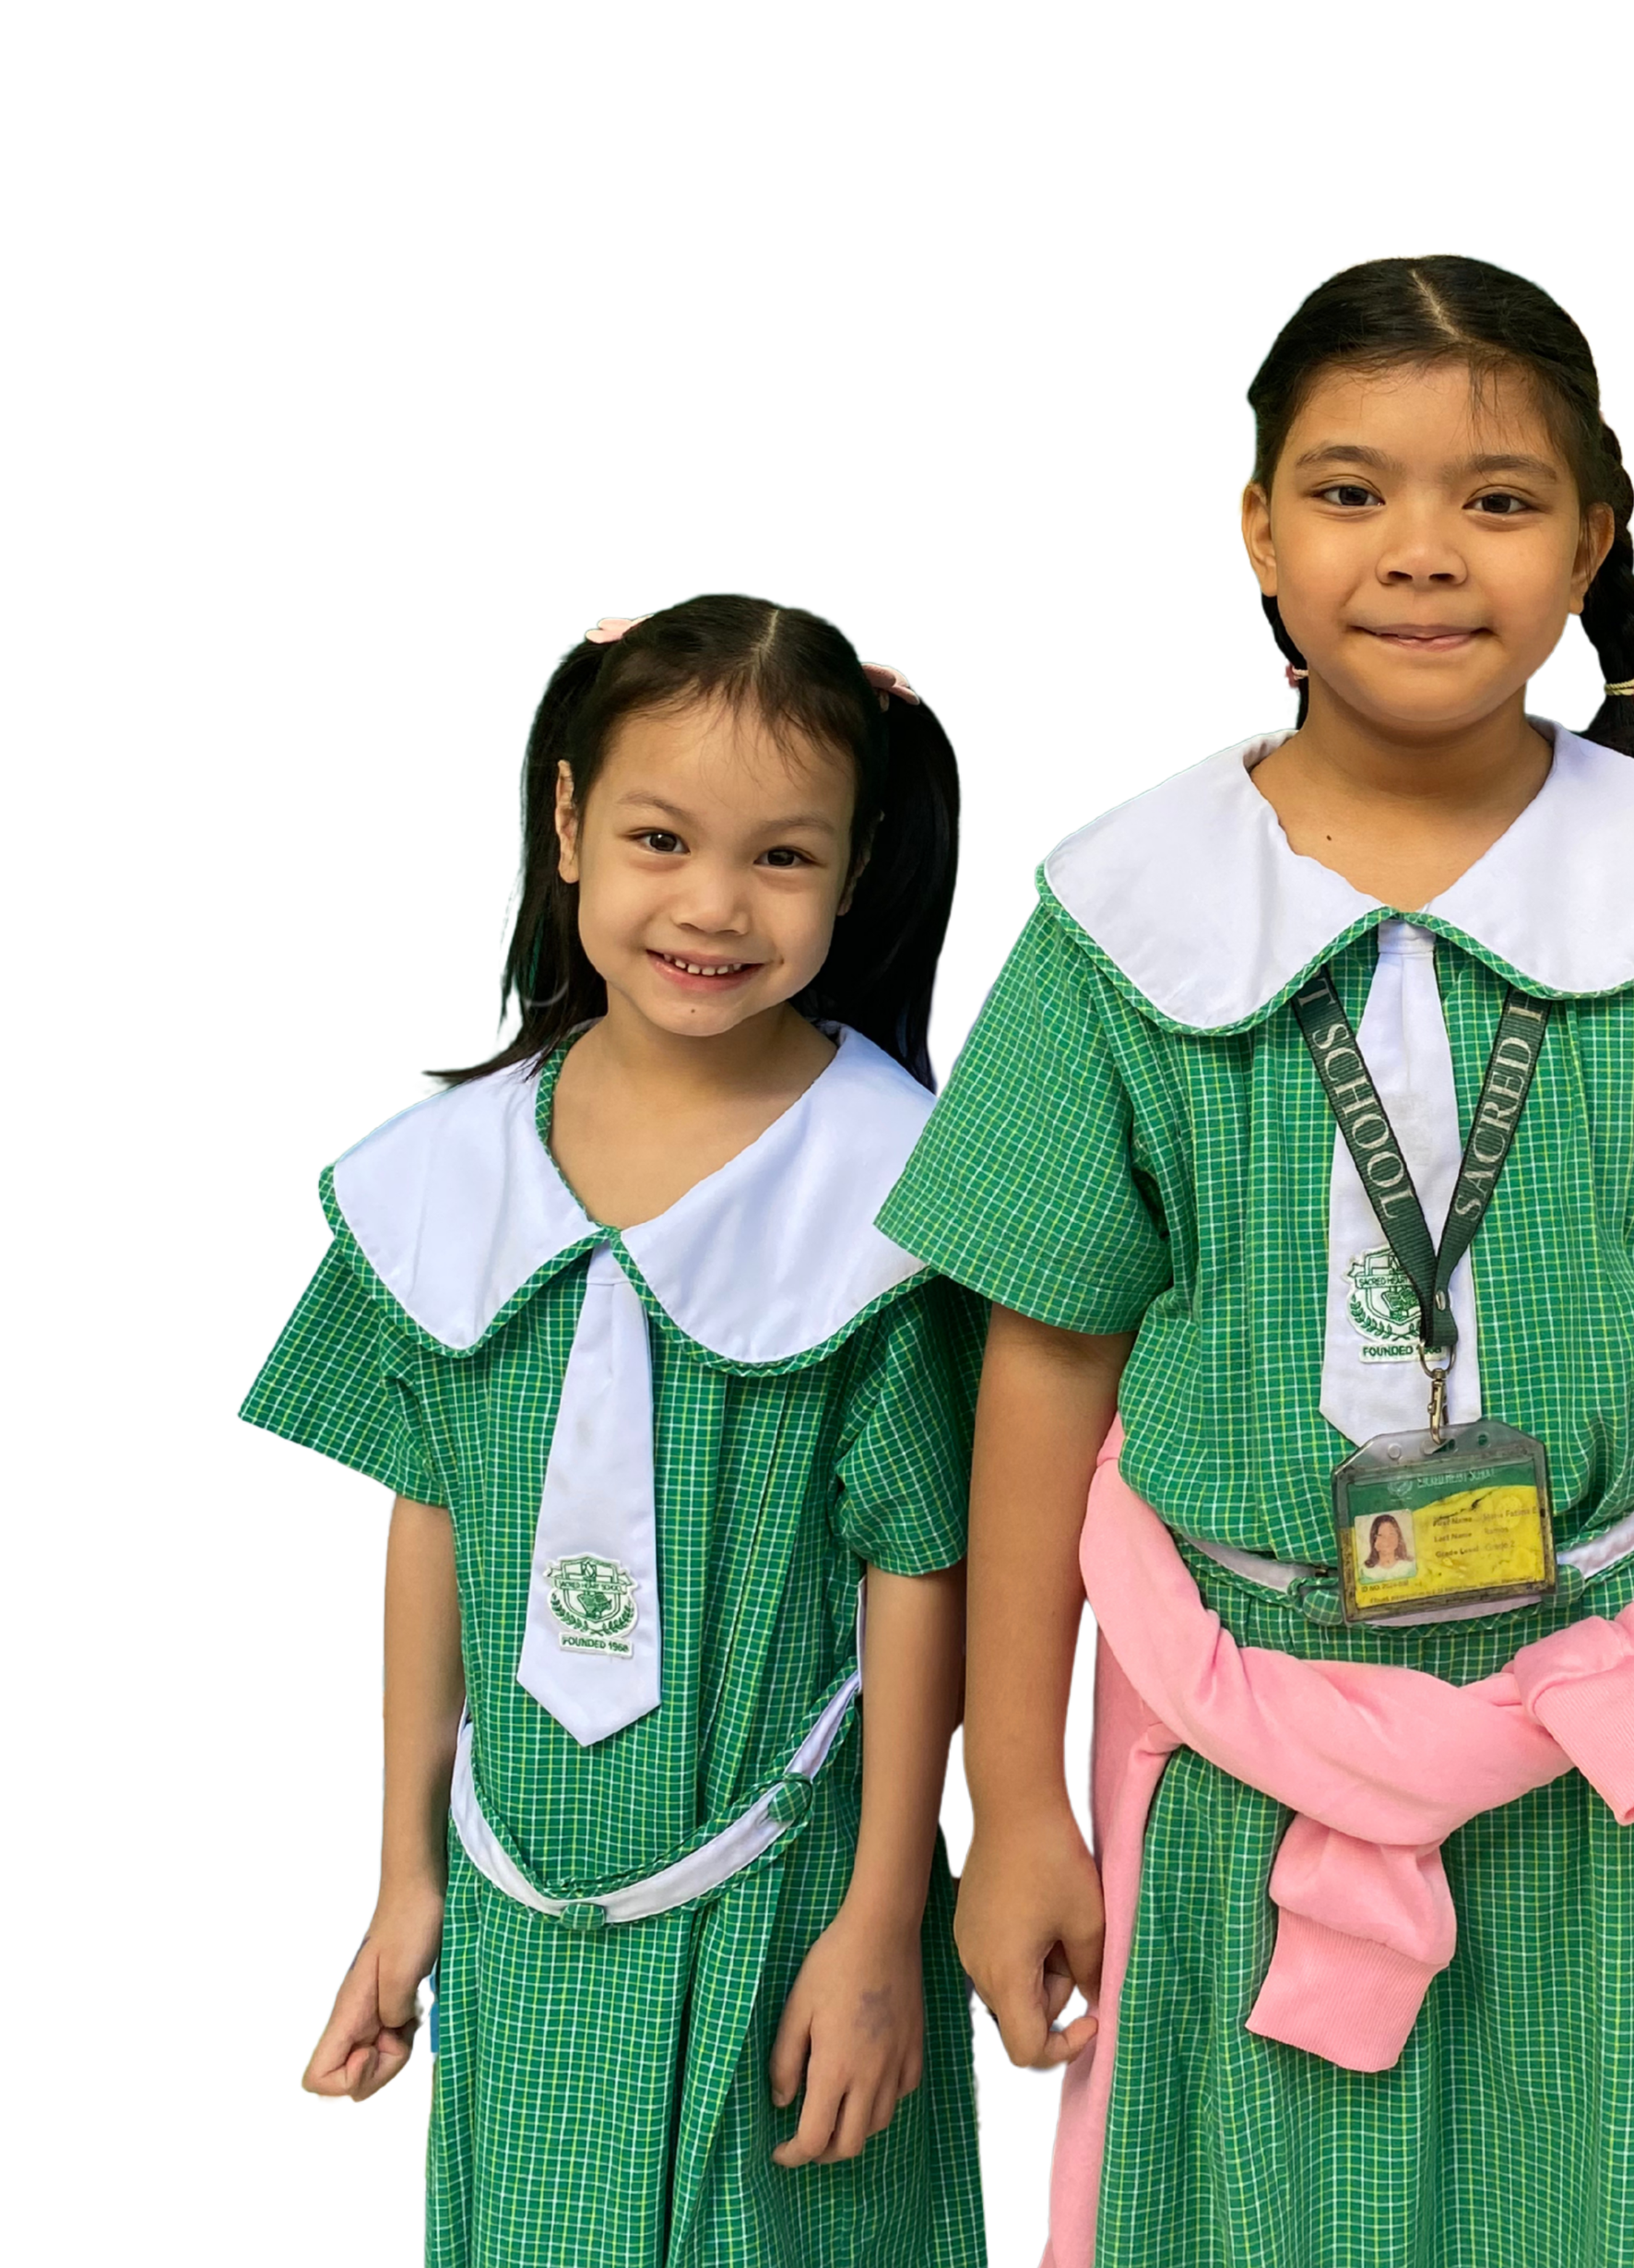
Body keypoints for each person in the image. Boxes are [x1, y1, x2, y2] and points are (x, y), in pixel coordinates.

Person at [876, 253, 1634, 2267]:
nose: (1422, 552)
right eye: (1350, 490)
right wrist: (1013, 1801)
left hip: (1621, 1772)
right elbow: (1040, 1370)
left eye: (1499, 498)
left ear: (1591, 543)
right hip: (1228, 1771)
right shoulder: (1120, 918)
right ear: (1256, 532)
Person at [242, 594, 989, 2265]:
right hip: (515, 1912)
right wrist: (408, 1880)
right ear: (570, 824)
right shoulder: (439, 1185)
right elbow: (428, 1522)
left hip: (791, 1910)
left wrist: (884, 1923)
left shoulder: (900, 1199)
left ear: (859, 867)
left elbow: (922, 1567)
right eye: (661, 838)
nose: (712, 906)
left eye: (782, 857)